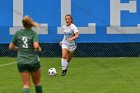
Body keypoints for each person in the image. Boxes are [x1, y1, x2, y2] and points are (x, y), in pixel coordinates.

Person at [9, 16, 43, 93]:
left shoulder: (18, 33)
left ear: (23, 24)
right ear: (31, 24)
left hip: (21, 61)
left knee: (26, 85)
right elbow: (36, 46)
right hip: (33, 60)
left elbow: (11, 47)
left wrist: (19, 49)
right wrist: (39, 49)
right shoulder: (34, 34)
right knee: (37, 82)